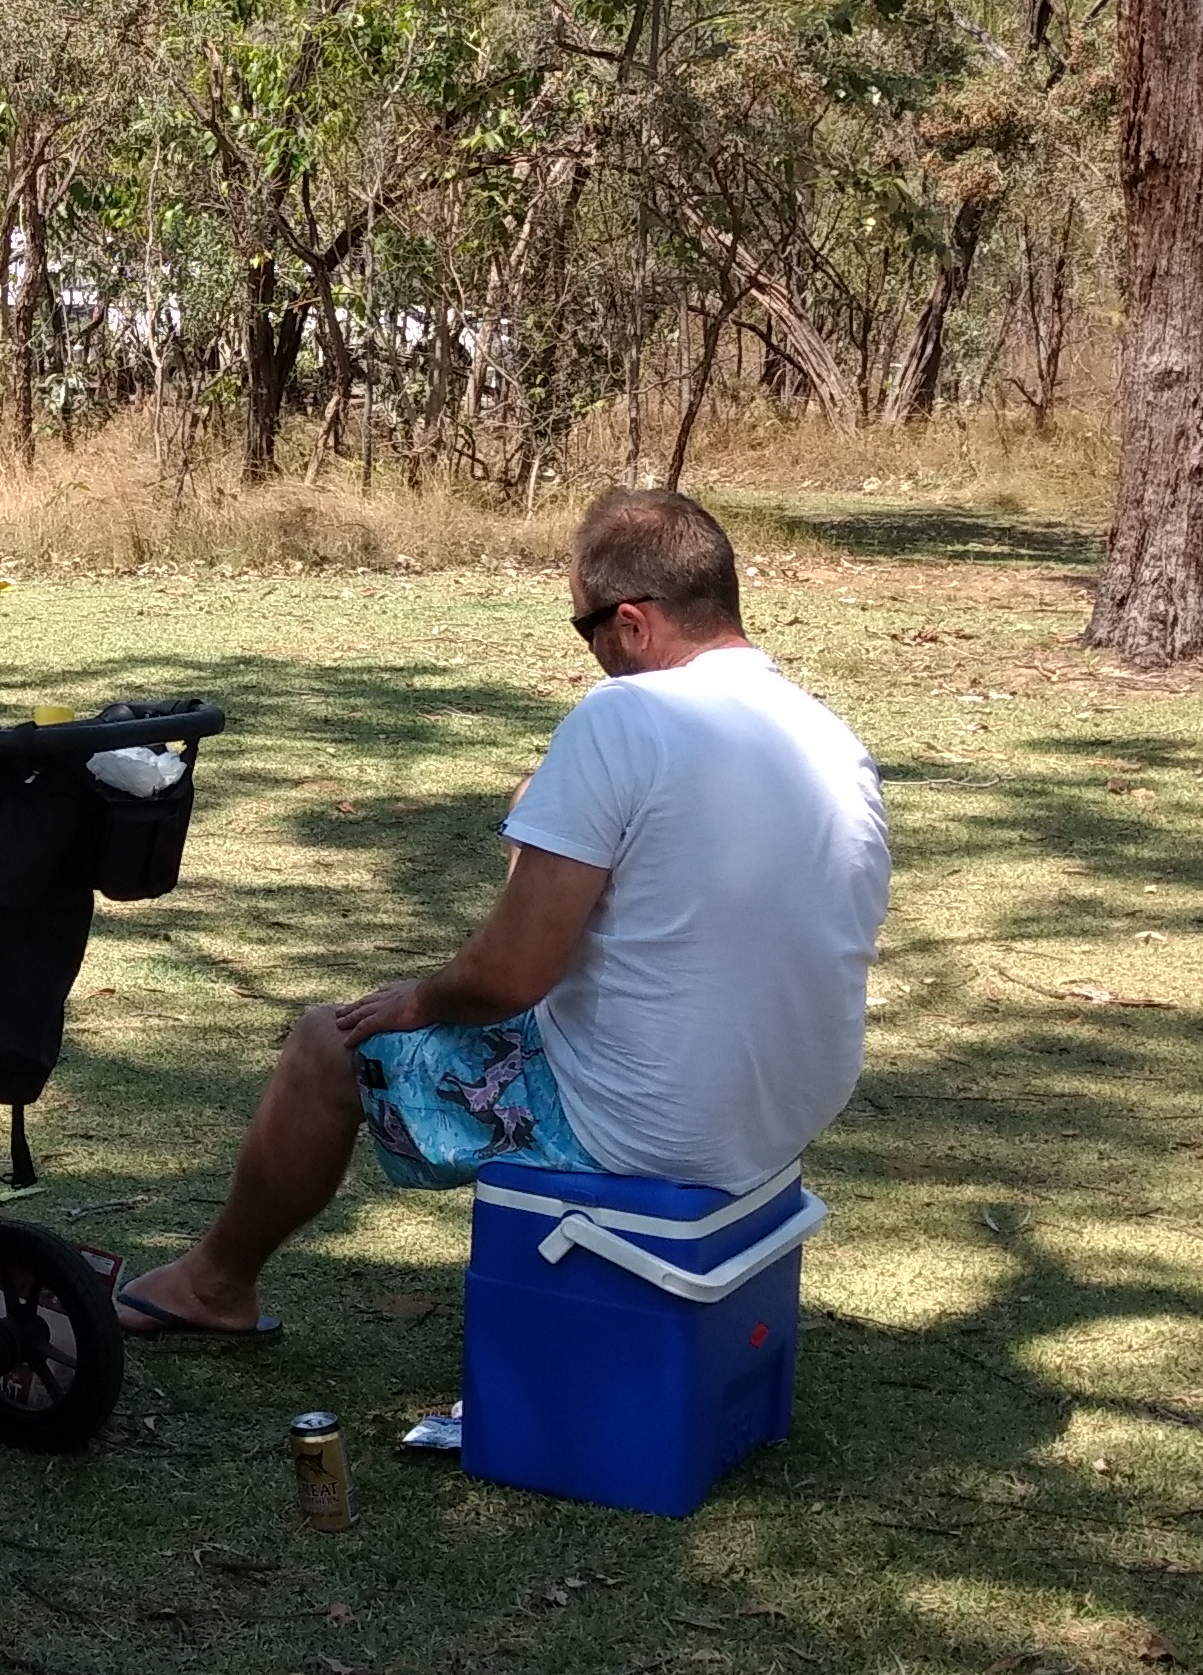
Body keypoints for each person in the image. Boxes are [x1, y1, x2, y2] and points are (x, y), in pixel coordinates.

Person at [116, 488, 889, 1339]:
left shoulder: (627, 714)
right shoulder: (828, 736)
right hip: (786, 1111)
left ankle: (215, 1286)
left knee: (325, 1045)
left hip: (649, 1125)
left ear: (633, 623)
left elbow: (508, 977)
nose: (593, 654)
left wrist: (418, 999)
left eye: (586, 629)